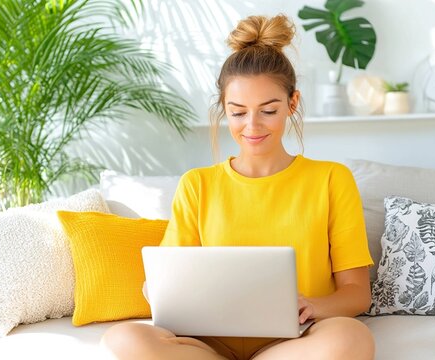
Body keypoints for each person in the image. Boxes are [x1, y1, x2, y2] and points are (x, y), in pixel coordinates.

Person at [100, 14, 375, 360]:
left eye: (268, 111)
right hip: (209, 344)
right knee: (120, 340)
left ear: (292, 103)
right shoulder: (196, 185)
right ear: (224, 110)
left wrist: (312, 306)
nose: (252, 126)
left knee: (351, 339)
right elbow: (169, 280)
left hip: (297, 341)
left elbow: (356, 294)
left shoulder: (332, 179)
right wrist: (156, 291)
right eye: (238, 112)